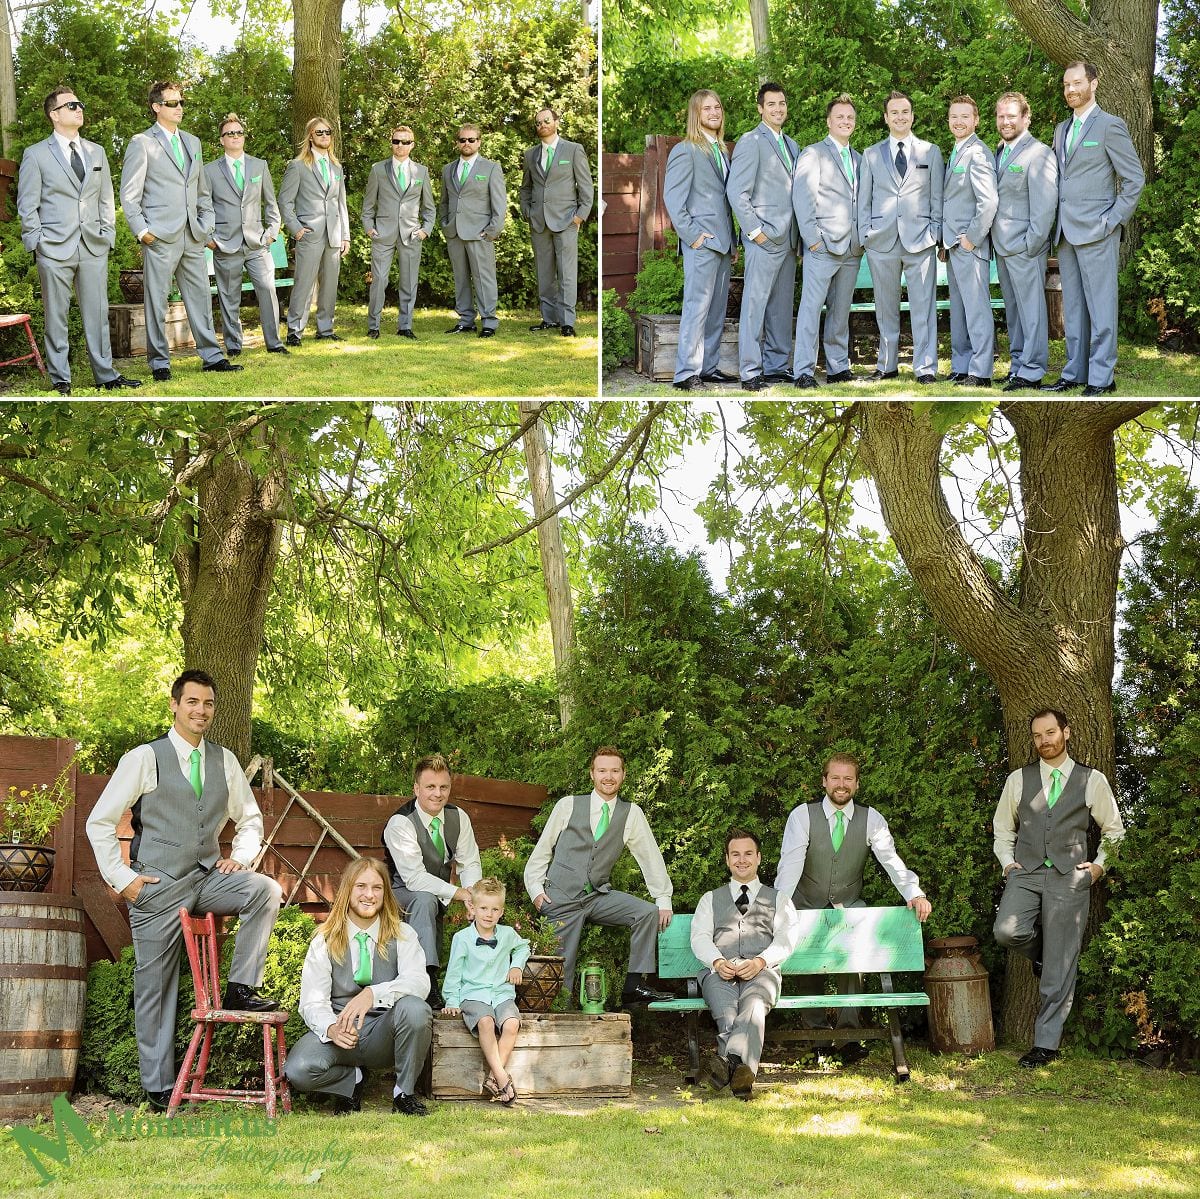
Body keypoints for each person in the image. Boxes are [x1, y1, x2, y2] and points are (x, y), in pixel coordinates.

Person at [84, 669, 281, 1110]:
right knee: (155, 983)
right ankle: (158, 1087)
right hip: (158, 884)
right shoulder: (144, 758)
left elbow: (250, 819)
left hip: (209, 877)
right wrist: (124, 880)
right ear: (175, 705)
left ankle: (240, 988)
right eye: (192, 702)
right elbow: (97, 821)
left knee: (264, 889)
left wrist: (241, 857)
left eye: (208, 703)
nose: (201, 711)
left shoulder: (225, 761)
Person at [774, 751, 931, 1061]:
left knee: (855, 962)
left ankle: (848, 1038)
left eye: (848, 779)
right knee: (809, 968)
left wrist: (914, 892)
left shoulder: (871, 818)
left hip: (849, 904)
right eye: (835, 777)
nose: (841, 784)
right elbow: (789, 865)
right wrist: (779, 906)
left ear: (857, 784)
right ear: (824, 781)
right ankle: (817, 1039)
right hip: (805, 902)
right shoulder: (802, 816)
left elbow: (890, 860)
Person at [993, 709, 1125, 1067]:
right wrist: (1007, 862)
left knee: (1061, 965)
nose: (1044, 741)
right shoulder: (1018, 780)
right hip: (1027, 871)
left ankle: (1046, 1046)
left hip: (1070, 875)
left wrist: (1098, 867)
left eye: (1050, 733)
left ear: (1066, 733)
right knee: (1006, 931)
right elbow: (1003, 828)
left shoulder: (1091, 779)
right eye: (1037, 736)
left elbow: (1115, 830)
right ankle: (1040, 953)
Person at [523, 745, 674, 1004]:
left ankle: (633, 986)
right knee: (559, 973)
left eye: (615, 770)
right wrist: (536, 890)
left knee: (646, 912)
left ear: (623, 775)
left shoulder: (631, 814)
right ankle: (559, 1013)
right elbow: (542, 851)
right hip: (561, 897)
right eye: (602, 770)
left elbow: (650, 857)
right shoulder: (568, 805)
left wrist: (663, 898)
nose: (609, 776)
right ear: (592, 774)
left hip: (597, 895)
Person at [16, 87, 140, 395]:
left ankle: (107, 376)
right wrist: (38, 243)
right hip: (54, 247)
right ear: (54, 114)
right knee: (56, 317)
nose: (79, 108)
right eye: (71, 105)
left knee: (97, 314)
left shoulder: (96, 151)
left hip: (93, 246)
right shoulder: (36, 154)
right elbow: (27, 204)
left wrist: (107, 234)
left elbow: (105, 199)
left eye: (80, 104)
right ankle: (61, 379)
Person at [285, 857, 432, 1116]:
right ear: (348, 890)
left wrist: (374, 993)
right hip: (340, 1033)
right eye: (361, 886)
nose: (369, 894)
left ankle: (403, 1094)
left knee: (416, 1008)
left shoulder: (403, 934)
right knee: (298, 1070)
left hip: (383, 1033)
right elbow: (312, 1001)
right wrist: (330, 1028)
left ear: (385, 893)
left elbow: (419, 983)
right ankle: (351, 1081)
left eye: (377, 888)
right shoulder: (325, 939)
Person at [120, 80, 241, 382]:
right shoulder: (142, 142)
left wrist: (207, 223)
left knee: (200, 297)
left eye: (181, 102)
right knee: (157, 300)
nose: (179, 108)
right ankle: (159, 362)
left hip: (193, 234)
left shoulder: (193, 142)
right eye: (172, 103)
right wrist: (142, 231)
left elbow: (201, 190)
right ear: (156, 107)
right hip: (160, 235)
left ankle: (212, 357)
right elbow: (129, 194)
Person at [1043, 61, 1145, 396]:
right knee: (1073, 308)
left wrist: (1112, 221)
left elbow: (1133, 179)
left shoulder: (1109, 126)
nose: (1070, 90)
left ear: (1093, 84)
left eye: (1076, 83)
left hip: (1098, 231)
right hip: (1067, 233)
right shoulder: (1061, 129)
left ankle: (1102, 378)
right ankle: (1074, 373)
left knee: (1101, 308)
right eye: (1065, 85)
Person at [691, 828, 800, 1100]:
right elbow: (700, 937)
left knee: (752, 1007)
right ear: (727, 860)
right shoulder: (710, 899)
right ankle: (741, 1075)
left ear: (759, 858)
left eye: (748, 853)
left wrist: (762, 961)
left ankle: (727, 1065)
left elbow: (787, 939)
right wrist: (717, 961)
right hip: (719, 972)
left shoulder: (779, 899)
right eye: (735, 854)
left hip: (762, 972)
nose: (742, 860)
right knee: (727, 1014)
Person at [382, 752, 482, 1009]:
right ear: (416, 788)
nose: (437, 794)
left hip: (439, 891)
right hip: (401, 894)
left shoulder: (458, 817)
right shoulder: (400, 823)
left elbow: (469, 862)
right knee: (425, 899)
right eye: (430, 787)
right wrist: (459, 894)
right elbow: (414, 878)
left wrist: (474, 895)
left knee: (488, 906)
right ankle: (427, 982)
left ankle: (481, 986)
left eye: (443, 787)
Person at [857, 90, 944, 384]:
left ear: (912, 116)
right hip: (882, 242)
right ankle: (886, 364)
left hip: (920, 241)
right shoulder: (870, 154)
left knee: (924, 307)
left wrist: (934, 233)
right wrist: (865, 234)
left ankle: (926, 368)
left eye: (905, 112)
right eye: (894, 113)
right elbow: (863, 201)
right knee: (885, 308)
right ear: (885, 118)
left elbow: (937, 199)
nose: (900, 117)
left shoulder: (930, 152)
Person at [662, 88, 737, 391]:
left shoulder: (723, 151)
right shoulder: (685, 150)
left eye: (717, 107)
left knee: (717, 310)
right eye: (707, 109)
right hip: (703, 243)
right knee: (697, 307)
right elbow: (673, 199)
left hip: (723, 244)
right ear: (696, 114)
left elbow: (726, 201)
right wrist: (693, 237)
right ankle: (686, 373)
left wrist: (732, 242)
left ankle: (708, 368)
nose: (714, 113)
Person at [727, 81, 800, 391]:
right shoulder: (750, 141)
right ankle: (751, 370)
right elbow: (736, 191)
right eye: (771, 104)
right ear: (760, 108)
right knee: (755, 304)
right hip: (764, 238)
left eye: (781, 103)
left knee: (781, 306)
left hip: (789, 240)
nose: (778, 109)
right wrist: (754, 232)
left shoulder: (793, 145)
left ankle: (776, 365)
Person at [791, 93, 863, 389]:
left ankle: (837, 367)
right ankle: (804, 371)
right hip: (823, 245)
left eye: (849, 118)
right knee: (811, 308)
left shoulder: (859, 159)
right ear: (828, 121)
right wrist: (812, 239)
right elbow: (802, 198)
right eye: (840, 117)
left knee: (840, 310)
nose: (845, 122)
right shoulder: (813, 153)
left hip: (852, 248)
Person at [204, 113, 288, 358]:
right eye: (230, 133)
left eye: (239, 132)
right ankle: (233, 345)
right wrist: (209, 238)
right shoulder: (209, 171)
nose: (235, 136)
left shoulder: (258, 165)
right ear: (221, 140)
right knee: (229, 298)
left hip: (257, 244)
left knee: (267, 290)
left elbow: (271, 203)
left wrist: (271, 234)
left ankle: (274, 342)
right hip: (225, 244)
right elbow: (203, 206)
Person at [442, 877, 531, 1105]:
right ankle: (502, 1077)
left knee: (512, 1023)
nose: (488, 914)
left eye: (494, 909)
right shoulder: (462, 939)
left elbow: (523, 947)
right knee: (486, 1022)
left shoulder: (508, 934)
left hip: (501, 994)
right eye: (483, 908)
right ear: (473, 907)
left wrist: (515, 965)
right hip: (474, 995)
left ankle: (493, 1078)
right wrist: (451, 1000)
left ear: (501, 912)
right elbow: (453, 972)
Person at [992, 91, 1058, 391]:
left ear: (1026, 118)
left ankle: (1032, 370)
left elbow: (1045, 206)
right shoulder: (999, 151)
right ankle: (1018, 364)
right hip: (1003, 247)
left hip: (1025, 247)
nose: (1005, 121)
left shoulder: (1039, 153)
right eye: (1001, 116)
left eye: (1011, 116)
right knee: (1015, 311)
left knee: (1031, 312)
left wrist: (1032, 243)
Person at [519, 107, 594, 338]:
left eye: (546, 120)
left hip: (566, 221)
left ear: (557, 122)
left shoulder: (573, 150)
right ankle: (549, 319)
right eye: (538, 122)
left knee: (567, 273)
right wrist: (527, 212)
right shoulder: (530, 154)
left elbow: (585, 186)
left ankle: (567, 322)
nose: (542, 125)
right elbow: (526, 187)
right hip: (539, 222)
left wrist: (579, 216)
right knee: (544, 273)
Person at [941, 95, 998, 388]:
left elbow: (988, 202)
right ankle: (961, 366)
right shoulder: (957, 150)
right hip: (953, 247)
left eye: (965, 116)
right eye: (954, 116)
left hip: (969, 246)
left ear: (976, 120)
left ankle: (981, 371)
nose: (959, 122)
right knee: (960, 311)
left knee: (976, 309)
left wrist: (971, 240)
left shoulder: (977, 153)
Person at [279, 116, 350, 346]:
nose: (324, 136)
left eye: (328, 132)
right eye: (319, 132)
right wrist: (297, 230)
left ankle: (325, 329)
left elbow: (341, 203)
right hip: (309, 234)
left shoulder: (336, 167)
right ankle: (294, 331)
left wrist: (345, 235)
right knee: (304, 283)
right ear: (310, 135)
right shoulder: (297, 167)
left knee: (330, 283)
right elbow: (284, 202)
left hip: (333, 234)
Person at [362, 124, 436, 340]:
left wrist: (425, 230)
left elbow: (429, 207)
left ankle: (405, 326)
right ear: (391, 143)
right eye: (396, 141)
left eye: (405, 142)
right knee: (379, 280)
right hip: (383, 235)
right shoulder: (378, 169)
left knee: (408, 282)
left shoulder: (421, 171)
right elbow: (368, 207)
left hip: (412, 235)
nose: (400, 145)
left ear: (412, 145)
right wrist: (369, 228)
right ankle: (373, 326)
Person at [439, 123, 506, 338]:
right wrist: (445, 223)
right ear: (456, 142)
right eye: (462, 140)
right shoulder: (448, 169)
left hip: (480, 233)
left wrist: (492, 231)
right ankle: (466, 320)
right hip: (455, 233)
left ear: (479, 142)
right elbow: (444, 201)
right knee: (460, 278)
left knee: (484, 278)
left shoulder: (491, 168)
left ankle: (489, 322)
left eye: (471, 140)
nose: (466, 143)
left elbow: (499, 203)